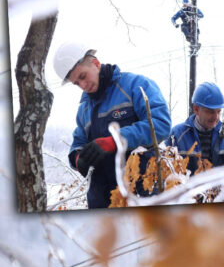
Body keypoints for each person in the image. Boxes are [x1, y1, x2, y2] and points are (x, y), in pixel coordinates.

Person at [55, 42, 172, 209]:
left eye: (82, 76)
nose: (82, 86)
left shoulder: (135, 86)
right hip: (100, 201)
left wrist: (115, 141)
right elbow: (77, 143)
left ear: (95, 63)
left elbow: (160, 125)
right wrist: (78, 158)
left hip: (140, 193)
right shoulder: (84, 110)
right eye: (76, 83)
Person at [165, 82, 224, 176]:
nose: (216, 117)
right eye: (211, 112)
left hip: (220, 190)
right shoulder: (177, 135)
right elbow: (163, 169)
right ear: (196, 109)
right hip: (189, 190)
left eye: (219, 111)